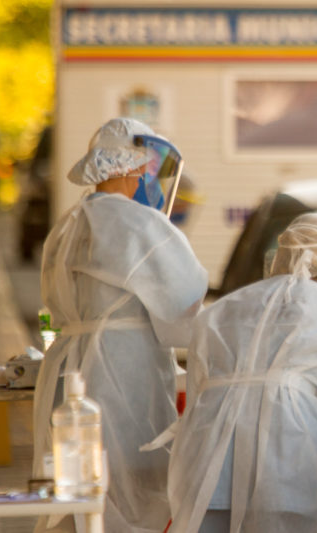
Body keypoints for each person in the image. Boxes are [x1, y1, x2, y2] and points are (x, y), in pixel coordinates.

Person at [31, 117, 208, 532]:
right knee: (129, 492)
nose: (147, 175)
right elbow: (184, 306)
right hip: (125, 373)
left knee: (79, 489)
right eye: (144, 165)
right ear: (129, 165)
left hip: (69, 372)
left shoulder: (69, 224)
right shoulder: (140, 223)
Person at [164, 212, 317, 533]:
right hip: (286, 464)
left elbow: (198, 389)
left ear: (282, 256)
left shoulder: (223, 309)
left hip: (208, 462)